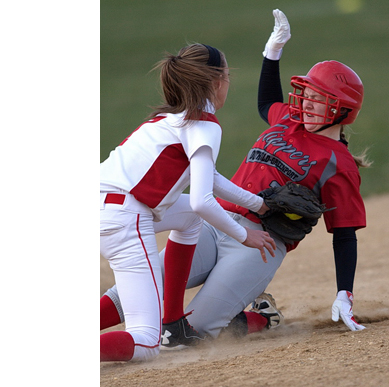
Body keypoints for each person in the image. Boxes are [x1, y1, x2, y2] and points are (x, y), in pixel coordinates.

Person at [101, 9, 370, 346]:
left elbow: (344, 235)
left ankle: (260, 319)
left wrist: (344, 292)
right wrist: (272, 53)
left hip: (260, 246)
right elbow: (266, 102)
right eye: (308, 94)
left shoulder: (338, 164)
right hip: (216, 221)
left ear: (342, 110)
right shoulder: (288, 119)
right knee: (136, 287)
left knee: (184, 338)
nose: (307, 102)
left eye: (319, 99)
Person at [100, 43, 277, 362]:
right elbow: (202, 201)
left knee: (188, 221)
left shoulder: (168, 119)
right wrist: (244, 235)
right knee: (146, 343)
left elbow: (210, 178)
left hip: (103, 206)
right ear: (217, 81)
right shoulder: (205, 124)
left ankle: (174, 321)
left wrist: (257, 203)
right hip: (124, 220)